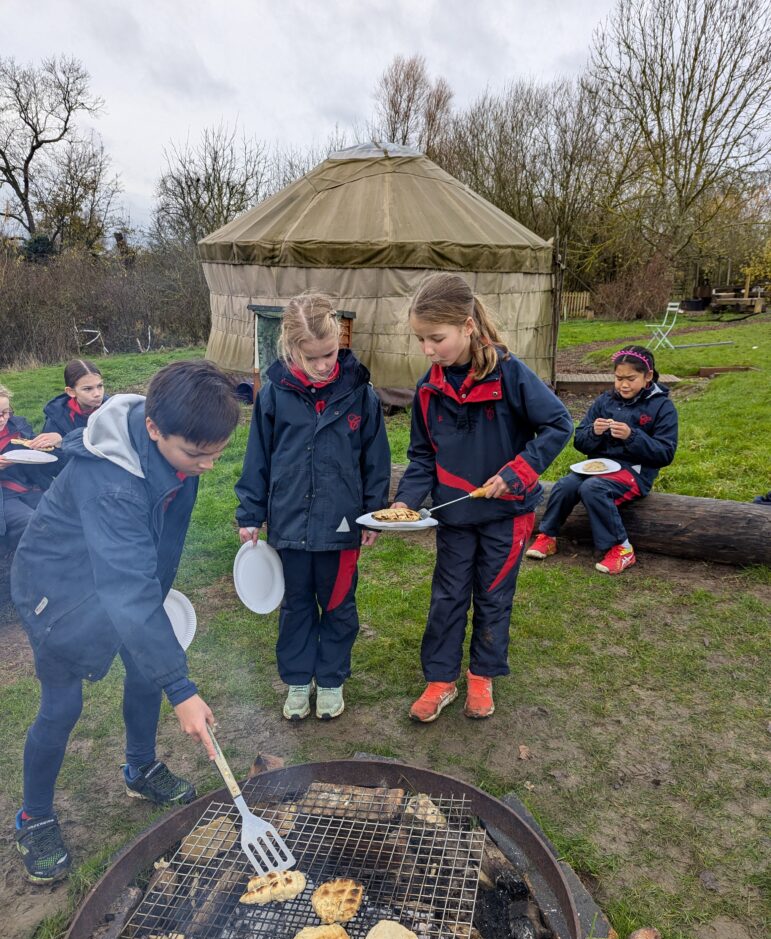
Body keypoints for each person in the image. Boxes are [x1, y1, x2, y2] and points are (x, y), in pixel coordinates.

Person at [11, 360, 240, 884]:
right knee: (61, 705)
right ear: (154, 429)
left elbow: (147, 562)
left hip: (123, 575)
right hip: (58, 591)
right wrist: (182, 688)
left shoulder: (177, 444)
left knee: (144, 670)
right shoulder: (111, 482)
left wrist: (156, 623)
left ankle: (140, 767)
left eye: (217, 453)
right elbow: (124, 588)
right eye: (197, 455)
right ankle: (35, 817)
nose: (207, 465)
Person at [393, 273, 573, 723]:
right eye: (421, 339)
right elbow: (420, 456)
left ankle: (481, 676)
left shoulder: (511, 374)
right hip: (455, 516)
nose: (428, 350)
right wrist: (405, 501)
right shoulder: (427, 390)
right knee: (448, 596)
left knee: (493, 596)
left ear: (468, 326)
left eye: (436, 338)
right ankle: (440, 680)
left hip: (507, 514)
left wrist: (519, 472)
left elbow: (558, 424)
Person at [235, 294, 390, 723]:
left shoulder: (361, 394)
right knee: (296, 604)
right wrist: (250, 514)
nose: (324, 364)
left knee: (339, 604)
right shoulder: (274, 395)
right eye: (313, 357)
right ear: (292, 349)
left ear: (339, 340)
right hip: (288, 522)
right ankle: (299, 680)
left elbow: (375, 458)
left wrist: (374, 512)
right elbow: (258, 458)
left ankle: (332, 680)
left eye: (330, 354)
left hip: (342, 525)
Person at [526, 345, 678, 574]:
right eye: (618, 378)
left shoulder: (662, 407)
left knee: (593, 488)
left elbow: (665, 453)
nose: (623, 384)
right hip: (598, 467)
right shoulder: (605, 401)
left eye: (631, 378)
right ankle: (548, 535)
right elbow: (580, 441)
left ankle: (622, 548)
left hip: (635, 472)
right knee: (565, 485)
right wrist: (593, 433)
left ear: (648, 376)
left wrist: (632, 436)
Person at [0, 384, 53, 555]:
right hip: (5, 496)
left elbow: (35, 455)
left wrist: (38, 447)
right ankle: (25, 561)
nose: (2, 419)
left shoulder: (18, 427)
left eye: (5, 412)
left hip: (30, 486)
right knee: (31, 523)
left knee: (59, 514)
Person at [33, 358, 107, 452]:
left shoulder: (115, 409)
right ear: (71, 392)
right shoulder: (56, 416)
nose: (97, 393)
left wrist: (64, 441)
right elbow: (50, 459)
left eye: (100, 386)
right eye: (88, 389)